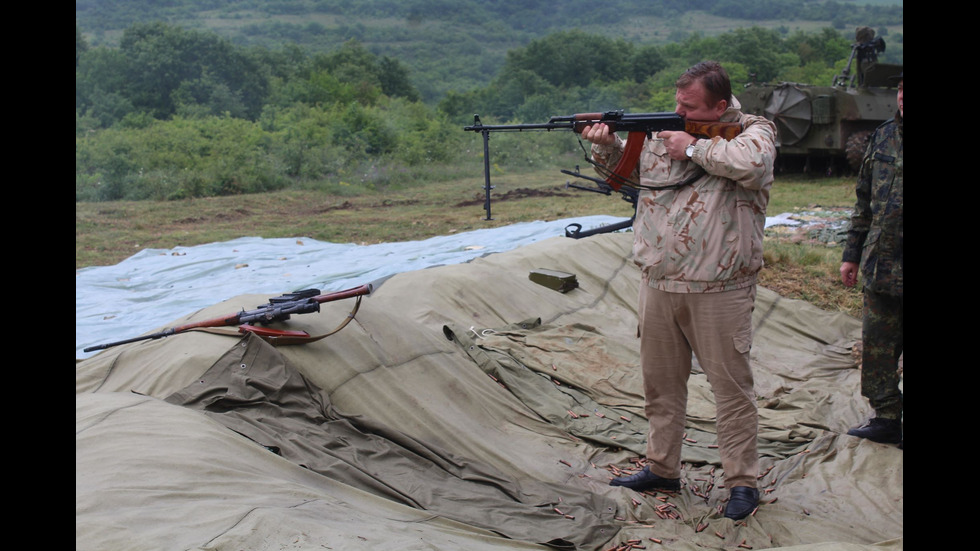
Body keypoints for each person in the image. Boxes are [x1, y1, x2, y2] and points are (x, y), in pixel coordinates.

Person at [581, 61, 776, 521]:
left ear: (720, 106)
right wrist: (607, 151)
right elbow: (632, 182)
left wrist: (693, 148)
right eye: (677, 102)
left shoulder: (754, 131)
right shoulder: (665, 133)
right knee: (660, 387)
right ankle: (662, 467)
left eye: (689, 106)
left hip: (720, 286)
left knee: (730, 390)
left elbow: (751, 166)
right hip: (659, 281)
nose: (677, 111)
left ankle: (742, 482)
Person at [839, 71, 903, 447]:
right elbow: (863, 202)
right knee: (878, 345)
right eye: (900, 90)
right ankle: (887, 417)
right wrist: (852, 254)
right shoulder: (882, 136)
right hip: (882, 264)